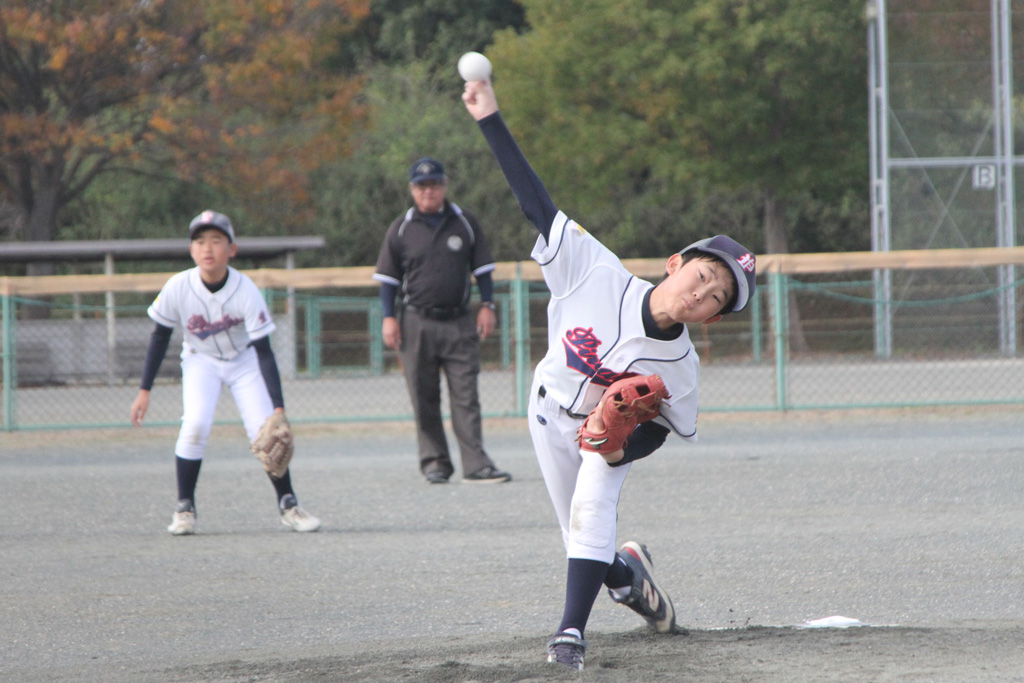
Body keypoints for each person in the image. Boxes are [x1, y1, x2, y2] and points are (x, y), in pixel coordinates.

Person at [461, 79, 757, 670]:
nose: (701, 293)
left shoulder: (681, 366)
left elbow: (663, 429)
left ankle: (569, 635)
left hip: (602, 443)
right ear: (675, 263)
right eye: (702, 275)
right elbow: (535, 203)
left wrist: (620, 446)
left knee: (592, 510)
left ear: (715, 317)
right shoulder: (594, 271)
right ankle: (629, 577)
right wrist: (490, 117)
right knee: (584, 550)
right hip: (548, 415)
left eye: (716, 297)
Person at [129, 210, 321, 535]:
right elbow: (160, 336)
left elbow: (264, 351)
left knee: (266, 432)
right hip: (200, 360)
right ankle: (184, 508)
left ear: (232, 249)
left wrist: (278, 407)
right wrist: (144, 389)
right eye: (200, 241)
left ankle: (288, 503)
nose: (208, 248)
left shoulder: (246, 290)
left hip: (244, 361)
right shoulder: (178, 286)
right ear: (191, 250)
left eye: (216, 240)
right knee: (195, 425)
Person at [373, 157, 512, 485]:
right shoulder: (402, 227)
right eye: (421, 186)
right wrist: (388, 319)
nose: (428, 191)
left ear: (444, 186)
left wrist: (487, 305)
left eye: (434, 184)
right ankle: (435, 461)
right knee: (423, 395)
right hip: (416, 322)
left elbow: (483, 271)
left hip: (459, 321)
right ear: (412, 190)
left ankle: (476, 464)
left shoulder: (464, 222)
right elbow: (389, 281)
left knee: (466, 394)